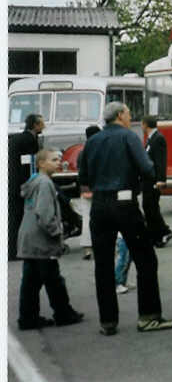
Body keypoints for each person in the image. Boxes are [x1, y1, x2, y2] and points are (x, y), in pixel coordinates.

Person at [78, 101, 172, 336]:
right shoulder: (128, 137)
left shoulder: (92, 142)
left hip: (99, 205)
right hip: (124, 203)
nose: (130, 117)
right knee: (145, 260)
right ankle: (149, 316)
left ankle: (108, 322)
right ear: (121, 115)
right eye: (128, 113)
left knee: (102, 265)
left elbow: (84, 175)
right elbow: (147, 168)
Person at [17, 148, 85, 330]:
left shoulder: (34, 182)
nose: (58, 163)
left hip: (28, 237)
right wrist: (57, 233)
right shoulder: (46, 184)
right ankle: (63, 313)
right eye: (54, 160)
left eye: (58, 159)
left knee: (31, 281)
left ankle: (27, 317)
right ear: (41, 163)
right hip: (42, 239)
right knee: (54, 279)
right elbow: (45, 214)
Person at [9, 114, 45, 261]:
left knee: (14, 217)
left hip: (12, 181)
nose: (44, 126)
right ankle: (18, 250)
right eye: (42, 123)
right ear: (35, 125)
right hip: (21, 184)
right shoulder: (29, 140)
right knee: (21, 217)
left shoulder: (17, 138)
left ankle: (13, 249)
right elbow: (28, 165)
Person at [141, 116, 172, 247]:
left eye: (142, 124)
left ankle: (163, 232)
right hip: (148, 180)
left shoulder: (158, 139)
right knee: (149, 207)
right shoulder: (150, 139)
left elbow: (161, 161)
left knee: (151, 207)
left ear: (145, 125)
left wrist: (161, 179)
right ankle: (155, 234)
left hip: (154, 180)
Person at [75, 125, 101, 260]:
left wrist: (85, 188)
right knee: (103, 218)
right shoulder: (102, 150)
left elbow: (81, 173)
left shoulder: (82, 152)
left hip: (86, 189)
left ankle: (87, 249)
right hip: (100, 189)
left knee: (87, 218)